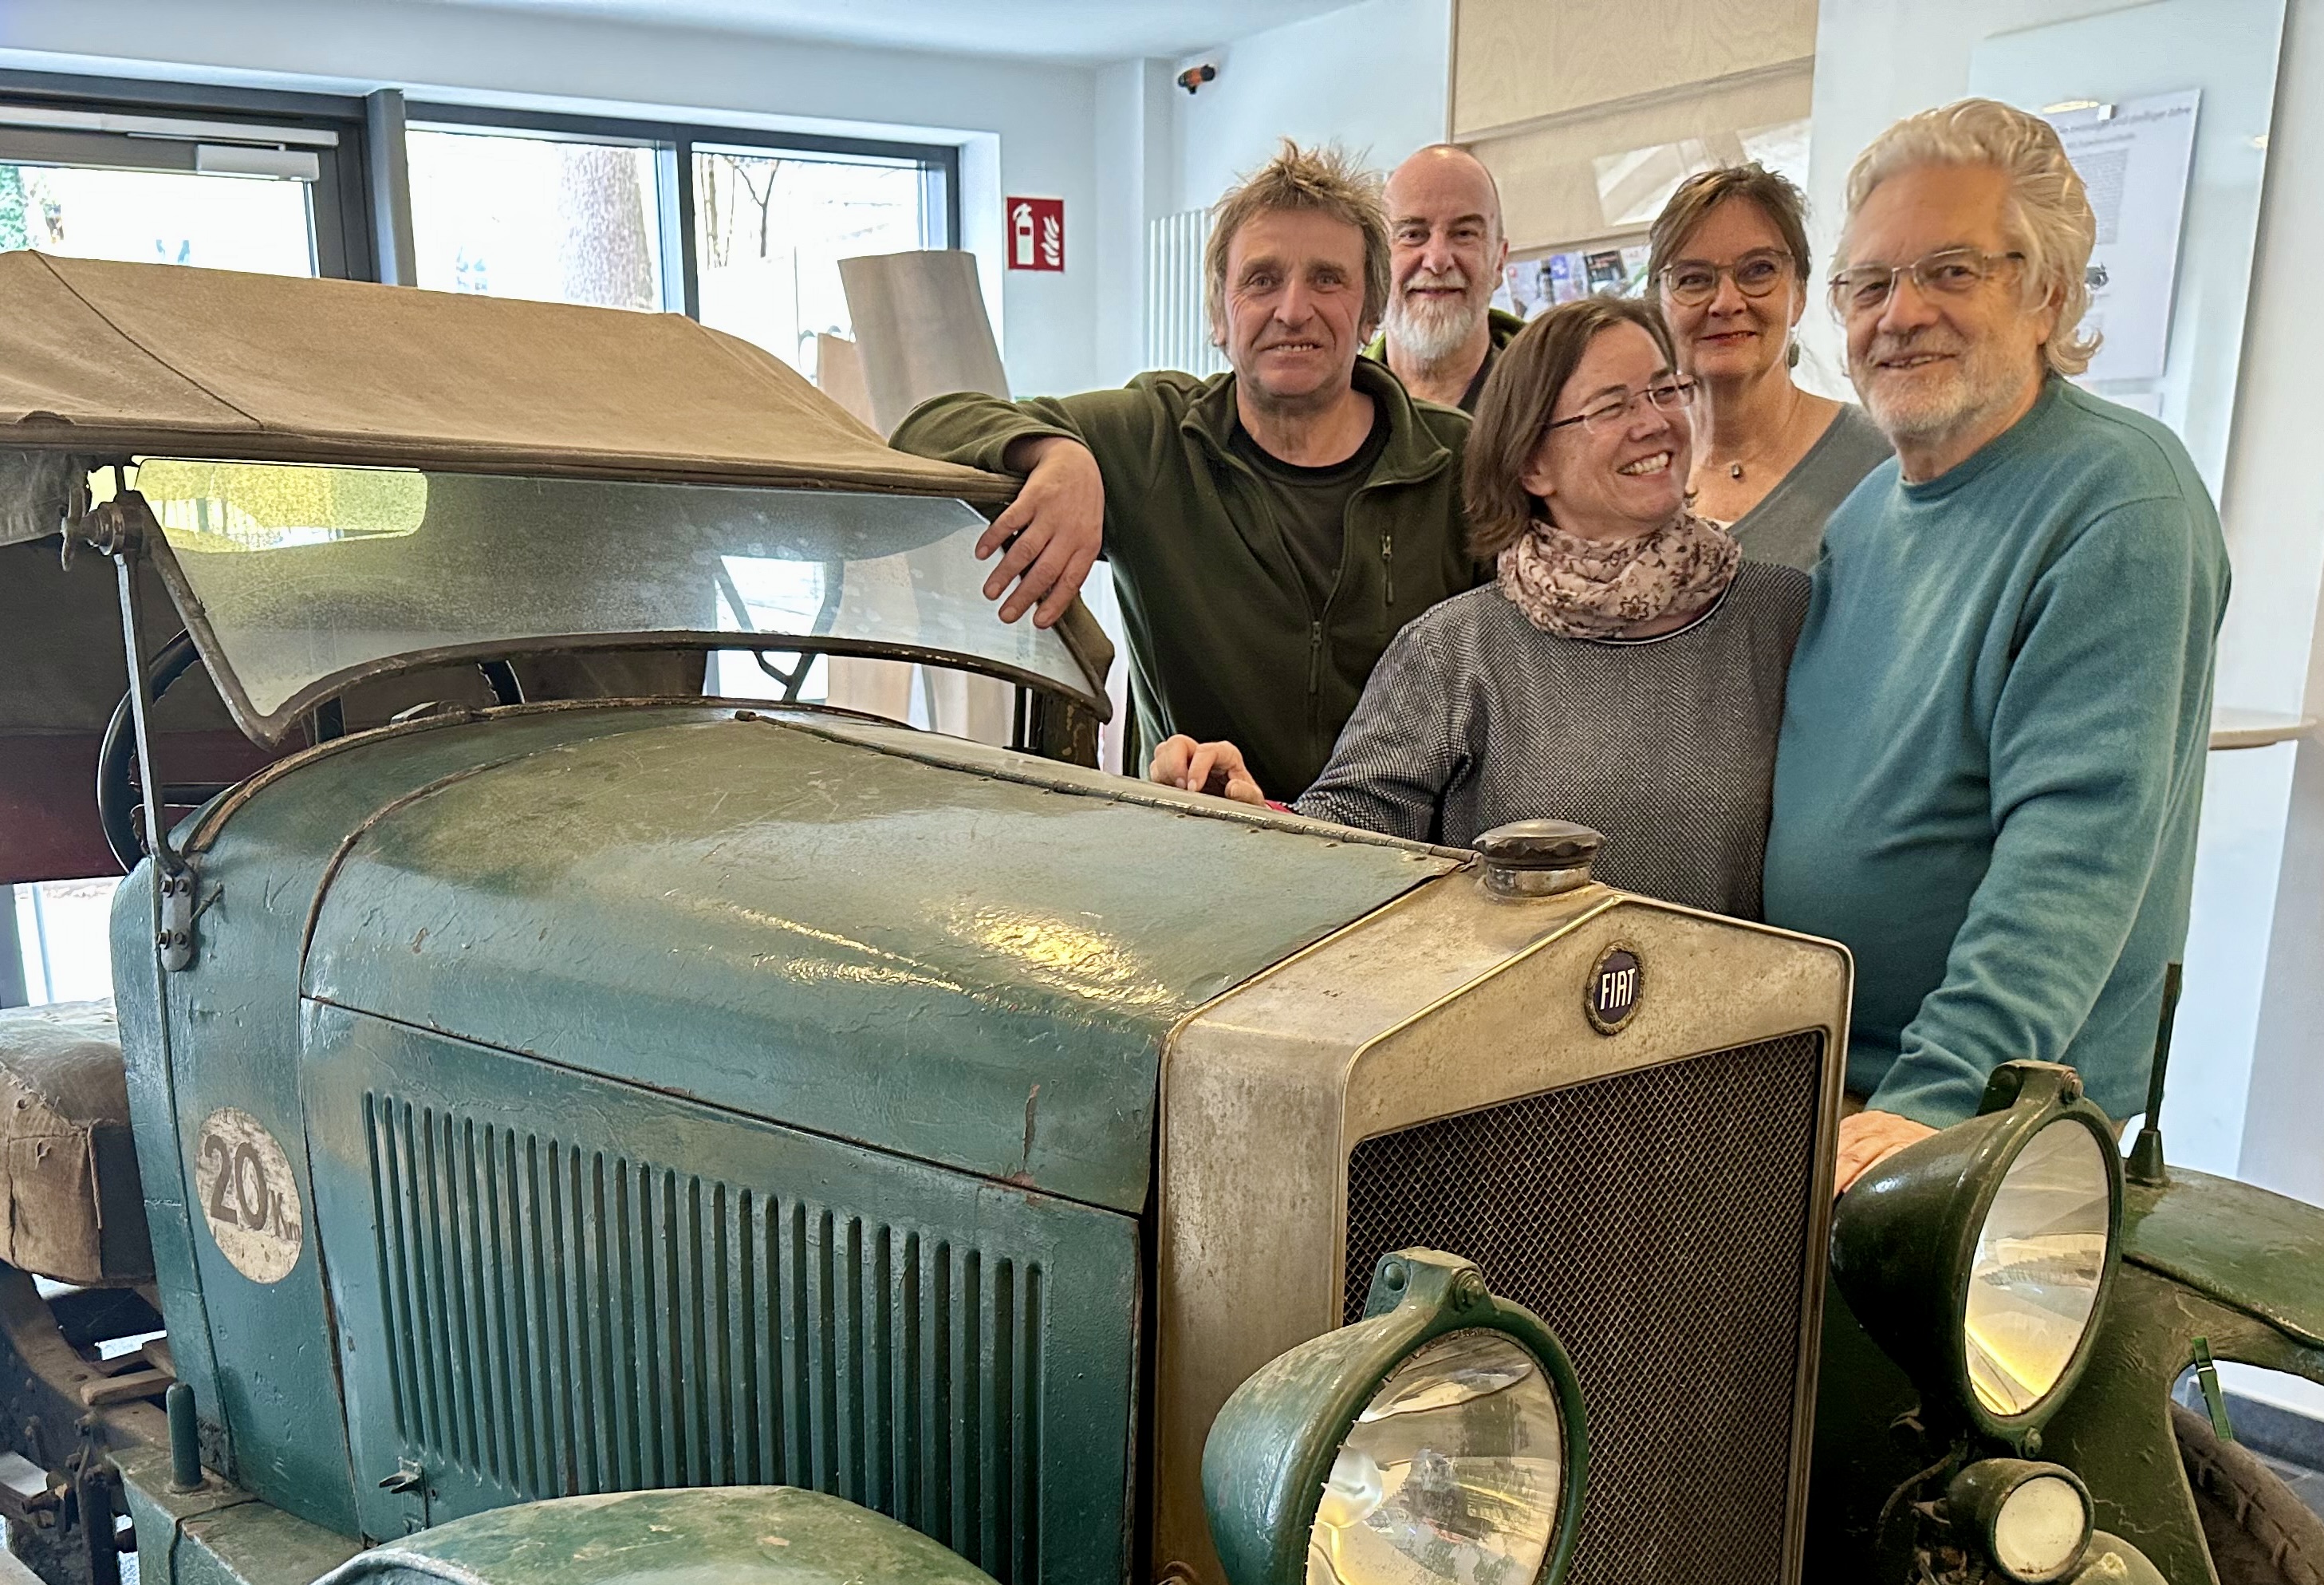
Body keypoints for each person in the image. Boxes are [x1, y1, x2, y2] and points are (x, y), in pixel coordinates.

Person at [1763, 100, 2230, 1193]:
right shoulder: (1867, 516)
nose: (1899, 314)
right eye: (1868, 284)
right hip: (1833, 1080)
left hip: (1988, 1127)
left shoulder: (2120, 502)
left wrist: (1936, 1100)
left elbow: (2070, 855)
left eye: (1951, 272)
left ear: (2047, 294)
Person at [1152, 296, 1810, 920]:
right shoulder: (1456, 650)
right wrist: (1253, 816)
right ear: (1531, 467)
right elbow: (1349, 843)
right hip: (1518, 1033)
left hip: (1747, 1033)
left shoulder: (1782, 616)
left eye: (1665, 390)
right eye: (1610, 407)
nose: (1653, 422)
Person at [892, 141, 1479, 796]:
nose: (1291, 309)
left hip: (1411, 860)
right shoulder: (1155, 442)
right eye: (1261, 280)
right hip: (1205, 843)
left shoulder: (1460, 463)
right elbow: (925, 427)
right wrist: (1056, 453)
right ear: (1217, 316)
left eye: (1327, 279)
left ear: (1371, 311)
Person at [1648, 163, 1890, 570]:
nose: (1726, 302)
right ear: (1658, 304)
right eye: (1693, 278)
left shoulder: (1880, 463)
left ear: (1798, 294)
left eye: (1758, 270)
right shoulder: (1636, 467)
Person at [1364, 144, 1527, 412]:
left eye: (1464, 234)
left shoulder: (1562, 400)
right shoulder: (1322, 411)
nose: (1438, 261)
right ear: (1376, 261)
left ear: (1499, 260)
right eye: (1413, 235)